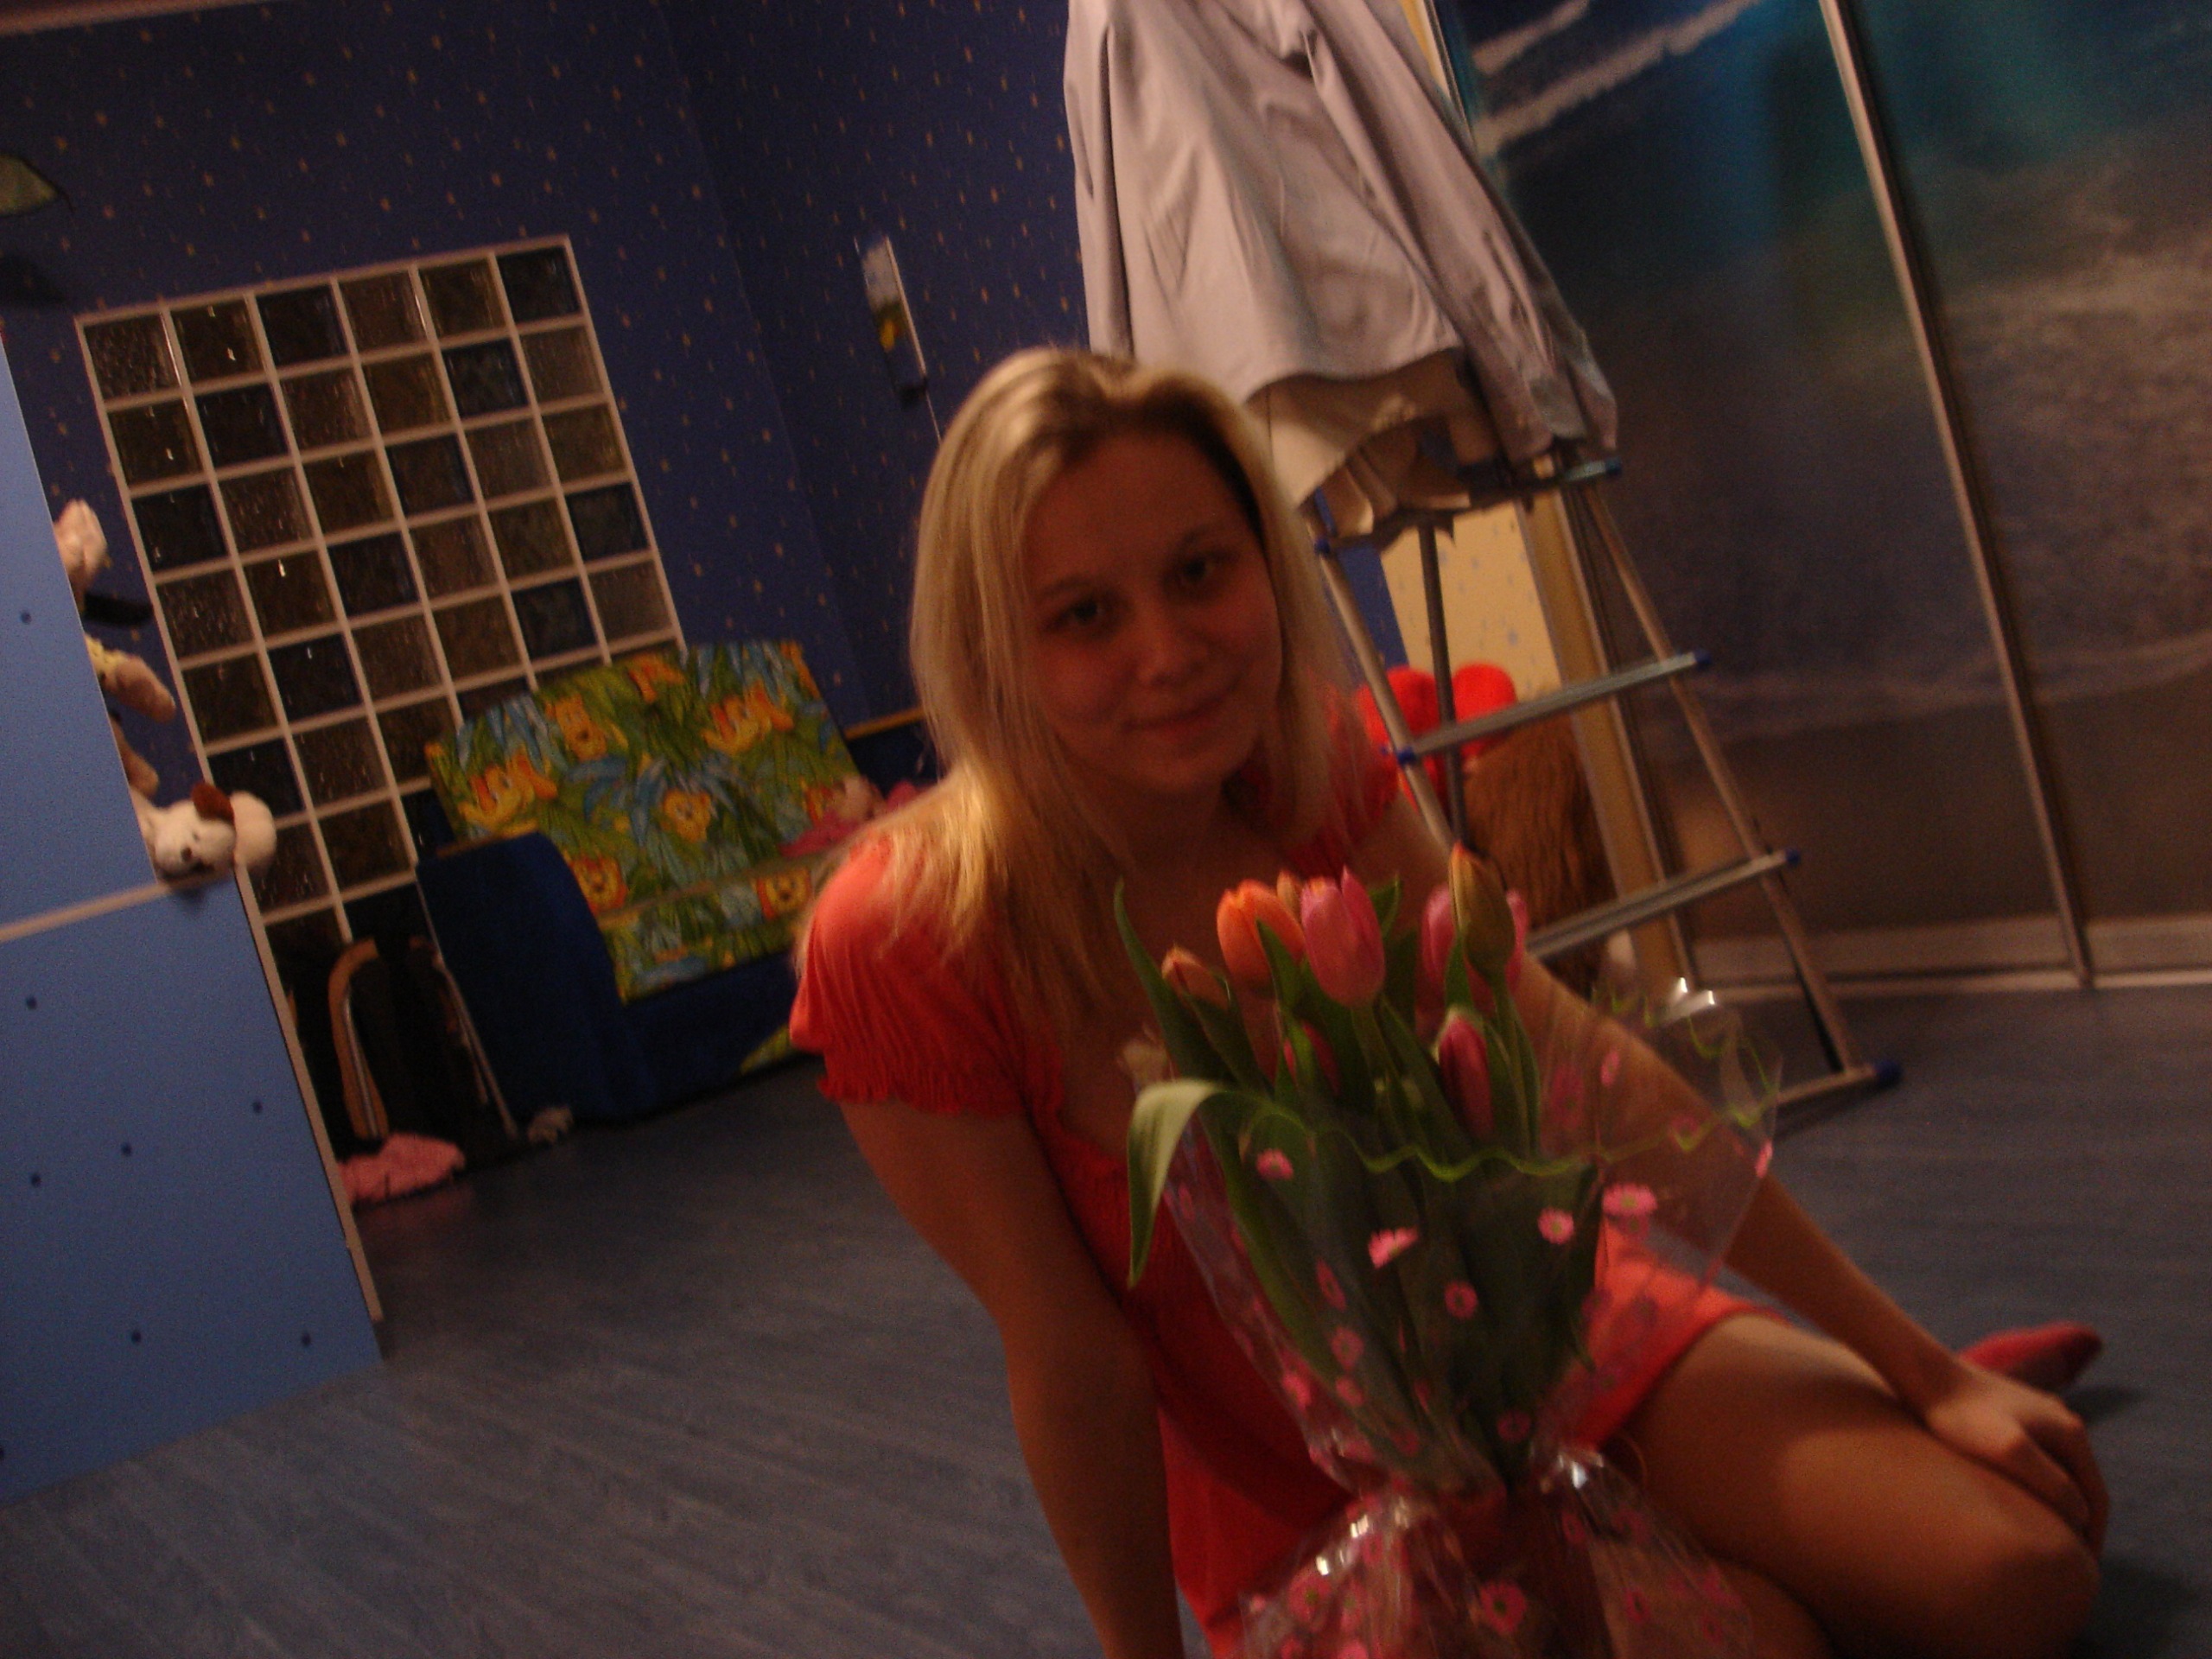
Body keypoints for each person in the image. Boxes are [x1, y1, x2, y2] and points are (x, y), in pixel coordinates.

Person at [790, 347, 2105, 1659]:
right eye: (1084, 615)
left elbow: (1562, 1050)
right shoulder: (907, 939)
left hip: (1550, 1348)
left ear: (1265, 563)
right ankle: (1756, 1548)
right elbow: (1074, 1363)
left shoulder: (1304, 766)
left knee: (2020, 1580)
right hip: (1308, 1507)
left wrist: (1923, 1367)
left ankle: (1802, 1477)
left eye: (1200, 573)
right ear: (992, 650)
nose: (1170, 653)